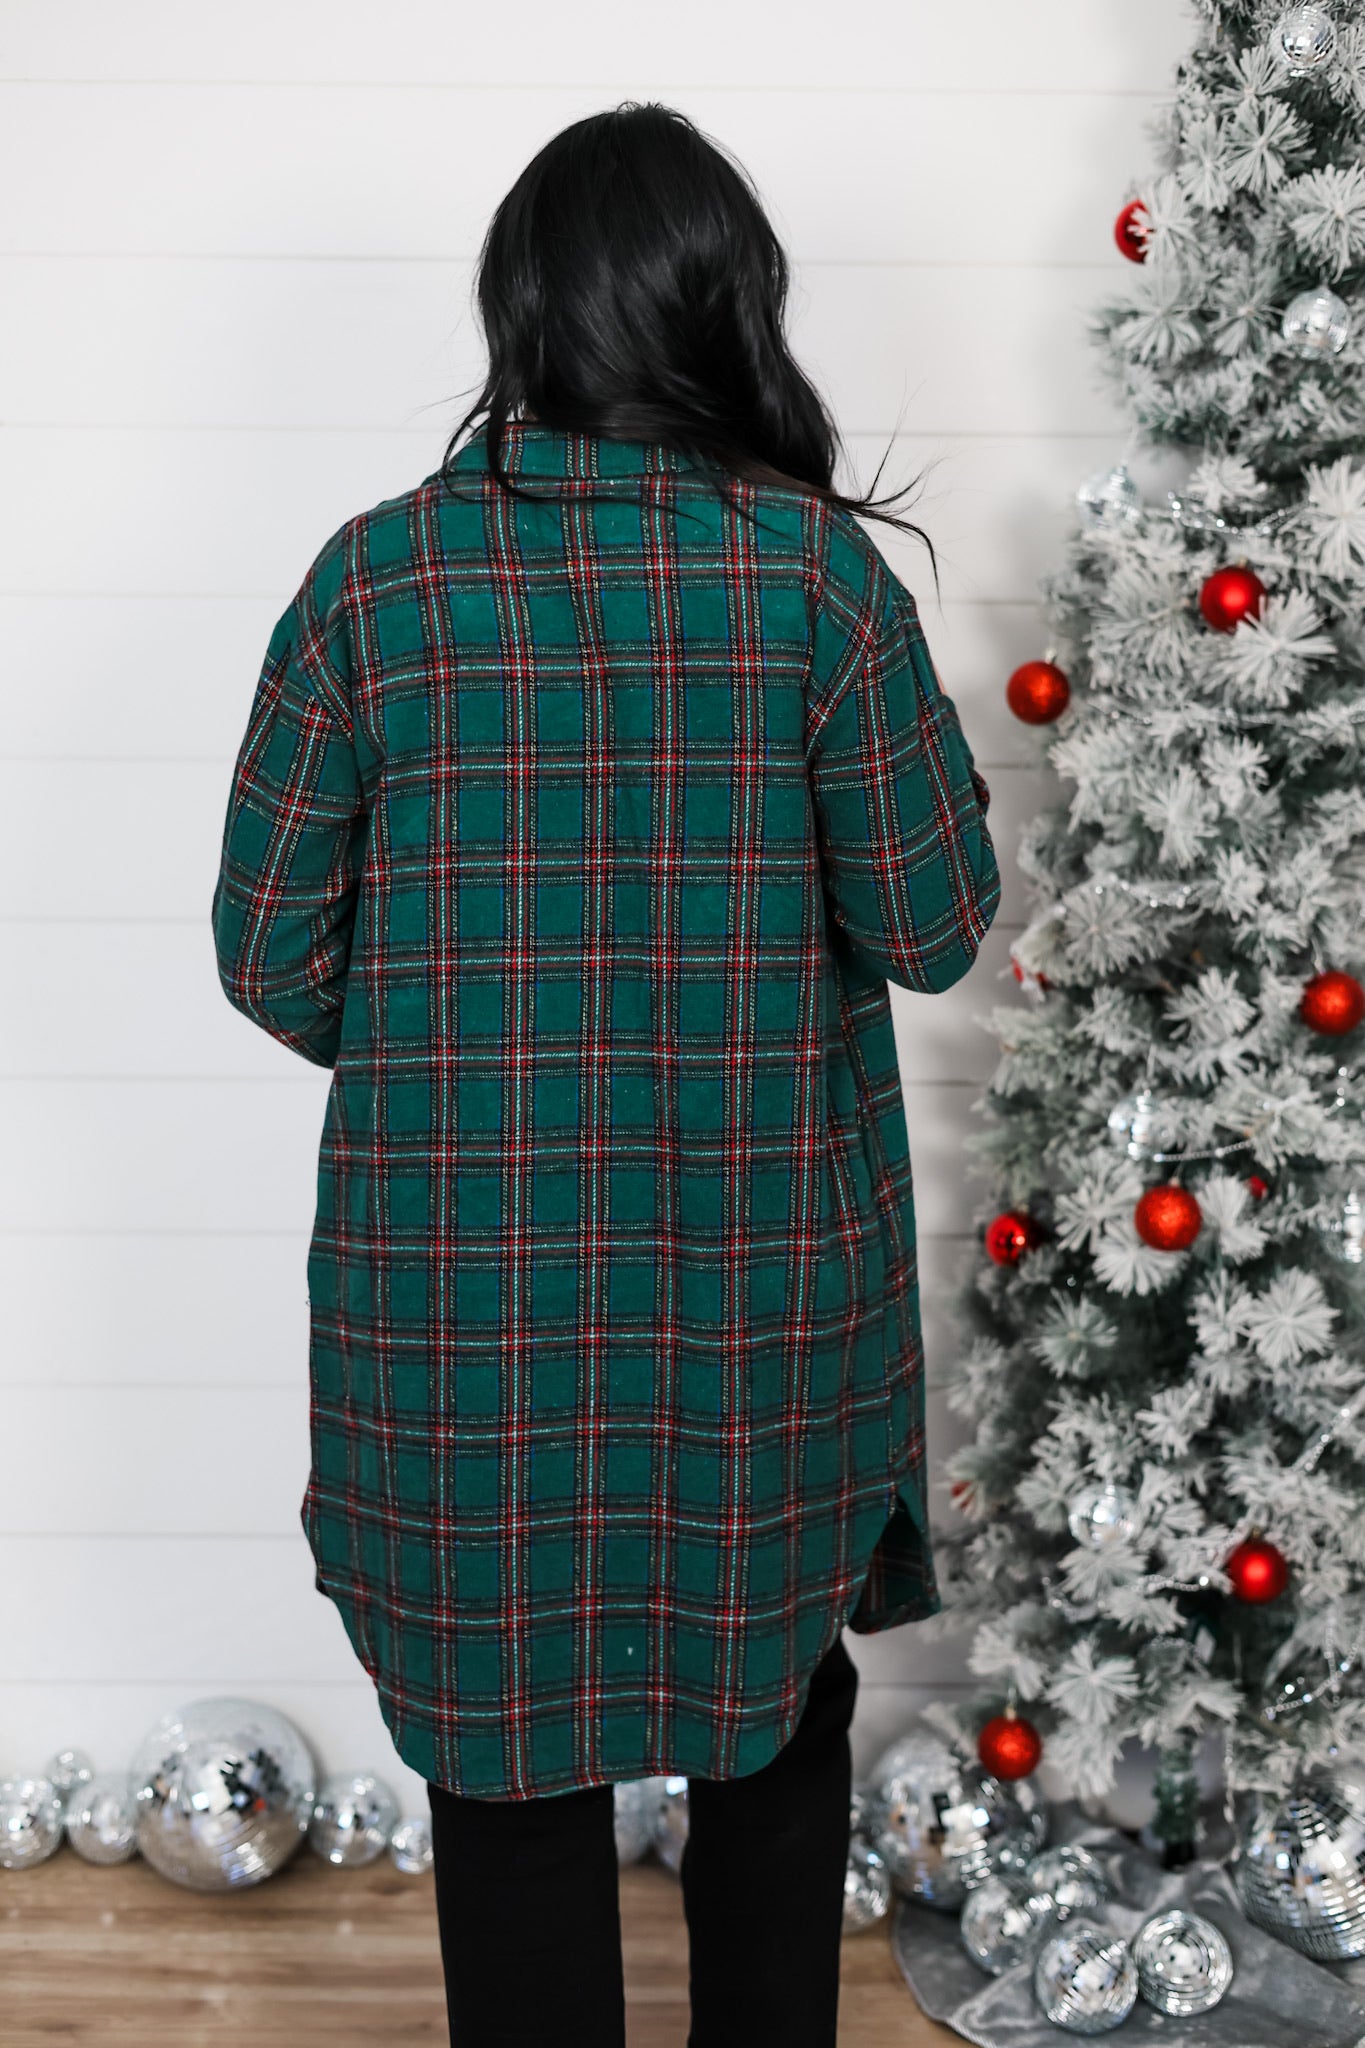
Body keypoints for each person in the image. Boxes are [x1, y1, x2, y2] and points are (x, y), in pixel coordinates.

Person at [211, 99, 999, 2048]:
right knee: (771, 1728)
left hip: (461, 1312)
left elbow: (267, 952)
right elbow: (931, 924)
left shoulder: (377, 584)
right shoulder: (815, 585)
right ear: (726, 309)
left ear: (523, 314)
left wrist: (460, 1062)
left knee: (503, 1766)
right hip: (756, 1311)